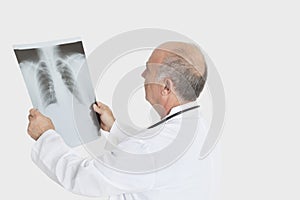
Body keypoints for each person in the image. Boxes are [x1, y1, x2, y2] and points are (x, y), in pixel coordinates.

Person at [27, 41, 221, 200]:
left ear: (166, 87)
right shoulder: (196, 125)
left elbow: (82, 178)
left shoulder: (153, 149)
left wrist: (46, 136)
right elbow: (149, 154)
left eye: (148, 70)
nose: (143, 75)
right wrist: (116, 128)